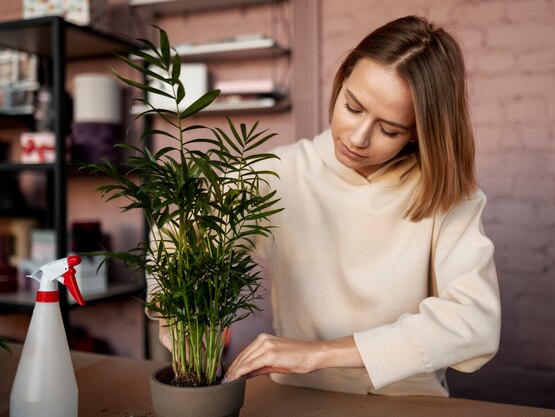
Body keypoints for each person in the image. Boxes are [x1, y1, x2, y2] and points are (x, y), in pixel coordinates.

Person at [165, 14, 501, 396]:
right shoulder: (276, 174)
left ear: (417, 135)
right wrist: (176, 325)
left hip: (409, 403)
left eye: (389, 129)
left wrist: (318, 354)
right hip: (295, 397)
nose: (358, 138)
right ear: (341, 83)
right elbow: (178, 242)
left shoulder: (447, 194)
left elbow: (474, 323)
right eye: (353, 107)